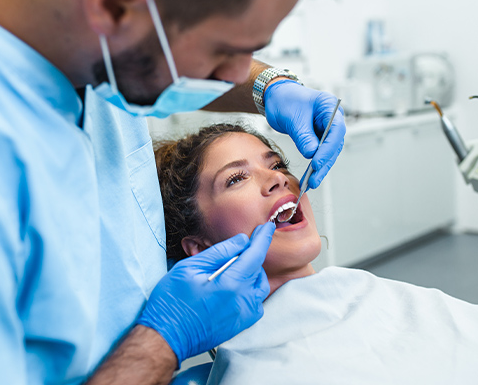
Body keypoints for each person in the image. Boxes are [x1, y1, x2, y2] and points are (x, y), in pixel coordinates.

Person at [0, 0, 346, 384]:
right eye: (222, 51)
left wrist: (269, 86)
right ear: (117, 8)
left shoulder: (95, 52)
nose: (239, 74)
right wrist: (165, 338)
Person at [154, 123, 478, 384]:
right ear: (200, 248)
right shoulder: (257, 372)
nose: (278, 179)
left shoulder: (366, 293)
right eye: (237, 178)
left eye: (277, 164)